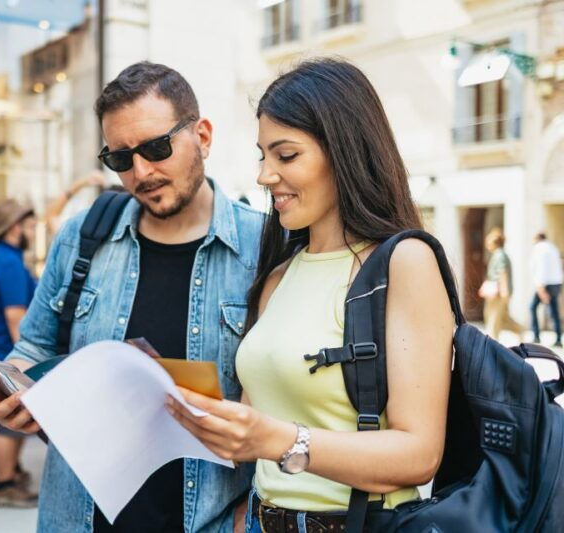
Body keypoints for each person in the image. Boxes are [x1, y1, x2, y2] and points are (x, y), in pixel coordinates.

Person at [166, 58, 454, 531]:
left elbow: (419, 454)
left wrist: (279, 440)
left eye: (286, 156)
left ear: (344, 151)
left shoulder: (404, 263)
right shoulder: (278, 275)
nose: (265, 176)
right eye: (263, 156)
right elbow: (261, 421)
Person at [0, 61, 263, 532]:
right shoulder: (81, 236)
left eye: (156, 148)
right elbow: (34, 345)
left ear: (203, 137)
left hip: (207, 519)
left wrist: (249, 514)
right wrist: (10, 389)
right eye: (121, 159)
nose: (141, 172)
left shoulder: (263, 247)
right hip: (78, 517)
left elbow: (295, 403)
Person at [0, 199, 38, 507]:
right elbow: (16, 317)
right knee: (9, 421)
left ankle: (12, 472)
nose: (33, 232)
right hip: (7, 353)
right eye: (30, 226)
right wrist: (27, 362)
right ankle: (3, 485)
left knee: (13, 420)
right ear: (15, 228)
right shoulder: (8, 262)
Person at [479, 228, 523, 341]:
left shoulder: (500, 255)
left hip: (498, 293)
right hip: (496, 293)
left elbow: (503, 273)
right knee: (502, 318)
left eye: (489, 241)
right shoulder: (498, 254)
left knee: (494, 319)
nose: (487, 244)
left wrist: (504, 292)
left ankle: (493, 343)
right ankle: (520, 330)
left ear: (495, 242)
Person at [529, 232, 563, 347]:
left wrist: (541, 288)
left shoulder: (540, 248)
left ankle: (536, 336)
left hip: (545, 284)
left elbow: (541, 268)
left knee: (532, 307)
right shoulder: (553, 248)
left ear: (537, 239)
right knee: (554, 310)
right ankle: (558, 338)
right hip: (556, 283)